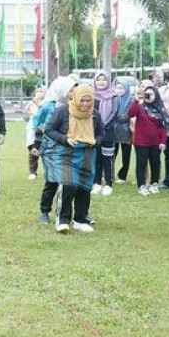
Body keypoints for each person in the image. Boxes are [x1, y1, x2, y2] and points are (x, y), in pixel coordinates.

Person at [43, 85, 103, 233]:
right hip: (66, 153)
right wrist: (65, 139)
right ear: (75, 98)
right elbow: (48, 129)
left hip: (87, 153)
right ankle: (62, 220)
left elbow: (102, 132)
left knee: (85, 186)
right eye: (82, 100)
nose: (85, 104)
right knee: (69, 184)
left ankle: (80, 219)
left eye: (88, 101)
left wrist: (96, 141)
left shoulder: (95, 114)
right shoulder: (62, 112)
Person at [31, 76, 77, 224]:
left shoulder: (76, 106)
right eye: (71, 90)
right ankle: (44, 211)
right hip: (50, 149)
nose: (74, 92)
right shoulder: (48, 106)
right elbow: (35, 125)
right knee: (52, 181)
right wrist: (34, 145)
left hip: (70, 147)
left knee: (70, 182)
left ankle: (65, 212)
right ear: (62, 91)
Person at [127, 84, 167, 196]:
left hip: (156, 143)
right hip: (141, 142)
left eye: (151, 94)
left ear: (156, 95)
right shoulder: (140, 107)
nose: (149, 96)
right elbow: (130, 114)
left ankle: (154, 183)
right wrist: (136, 100)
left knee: (155, 163)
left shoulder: (160, 108)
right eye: (146, 94)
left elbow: (164, 126)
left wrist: (163, 141)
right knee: (141, 163)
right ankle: (141, 185)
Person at [91, 70, 120, 196]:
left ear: (108, 81)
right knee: (96, 158)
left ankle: (108, 183)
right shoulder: (92, 95)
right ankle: (96, 183)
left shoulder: (114, 96)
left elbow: (115, 114)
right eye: (98, 79)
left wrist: (103, 126)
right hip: (94, 133)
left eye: (104, 79)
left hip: (108, 133)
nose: (101, 82)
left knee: (108, 159)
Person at [114, 78, 135, 184]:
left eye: (121, 88)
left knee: (126, 155)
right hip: (114, 131)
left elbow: (127, 115)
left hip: (126, 132)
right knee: (112, 153)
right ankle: (109, 174)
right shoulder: (113, 99)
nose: (119, 90)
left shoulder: (130, 100)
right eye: (117, 88)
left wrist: (118, 117)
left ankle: (123, 176)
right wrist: (118, 116)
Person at [25, 86, 45, 180]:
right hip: (34, 132)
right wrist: (30, 117)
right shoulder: (30, 103)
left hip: (45, 132)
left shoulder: (48, 103)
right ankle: (33, 172)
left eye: (41, 91)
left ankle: (48, 171)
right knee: (33, 152)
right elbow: (25, 116)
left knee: (47, 153)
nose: (39, 93)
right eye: (37, 91)